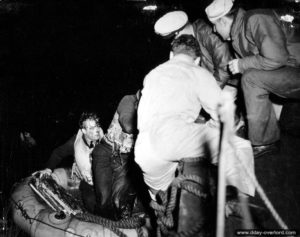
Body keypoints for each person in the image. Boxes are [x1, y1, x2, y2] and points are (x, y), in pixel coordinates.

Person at [135, 34, 255, 202]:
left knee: (163, 200)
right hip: (170, 139)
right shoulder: (197, 72)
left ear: (171, 55)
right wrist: (214, 125)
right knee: (239, 147)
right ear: (197, 60)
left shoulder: (152, 74)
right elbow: (224, 115)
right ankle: (240, 200)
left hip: (143, 150)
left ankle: (161, 215)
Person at [205, 0, 300, 157]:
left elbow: (276, 58)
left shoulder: (256, 19)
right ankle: (264, 138)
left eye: (215, 25)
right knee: (250, 78)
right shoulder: (238, 35)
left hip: (295, 68)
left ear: (222, 20)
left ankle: (265, 141)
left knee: (250, 78)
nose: (214, 30)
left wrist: (242, 64)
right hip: (290, 71)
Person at [154, 10, 245, 131]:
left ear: (179, 32)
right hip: (211, 80)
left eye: (174, 37)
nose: (173, 42)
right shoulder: (188, 42)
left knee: (217, 120)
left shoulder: (209, 34)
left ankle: (234, 122)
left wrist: (203, 93)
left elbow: (224, 68)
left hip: (230, 80)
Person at [33, 112, 104, 212]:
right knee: (90, 201)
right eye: (91, 128)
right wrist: (48, 169)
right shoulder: (75, 142)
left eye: (97, 126)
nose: (96, 130)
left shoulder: (106, 139)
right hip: (88, 183)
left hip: (106, 181)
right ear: (83, 130)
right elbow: (58, 153)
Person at [92, 91, 145, 220]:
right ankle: (102, 226)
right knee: (104, 200)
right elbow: (127, 125)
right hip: (105, 150)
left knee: (120, 202)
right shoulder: (128, 100)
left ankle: (122, 226)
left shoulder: (152, 107)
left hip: (125, 158)